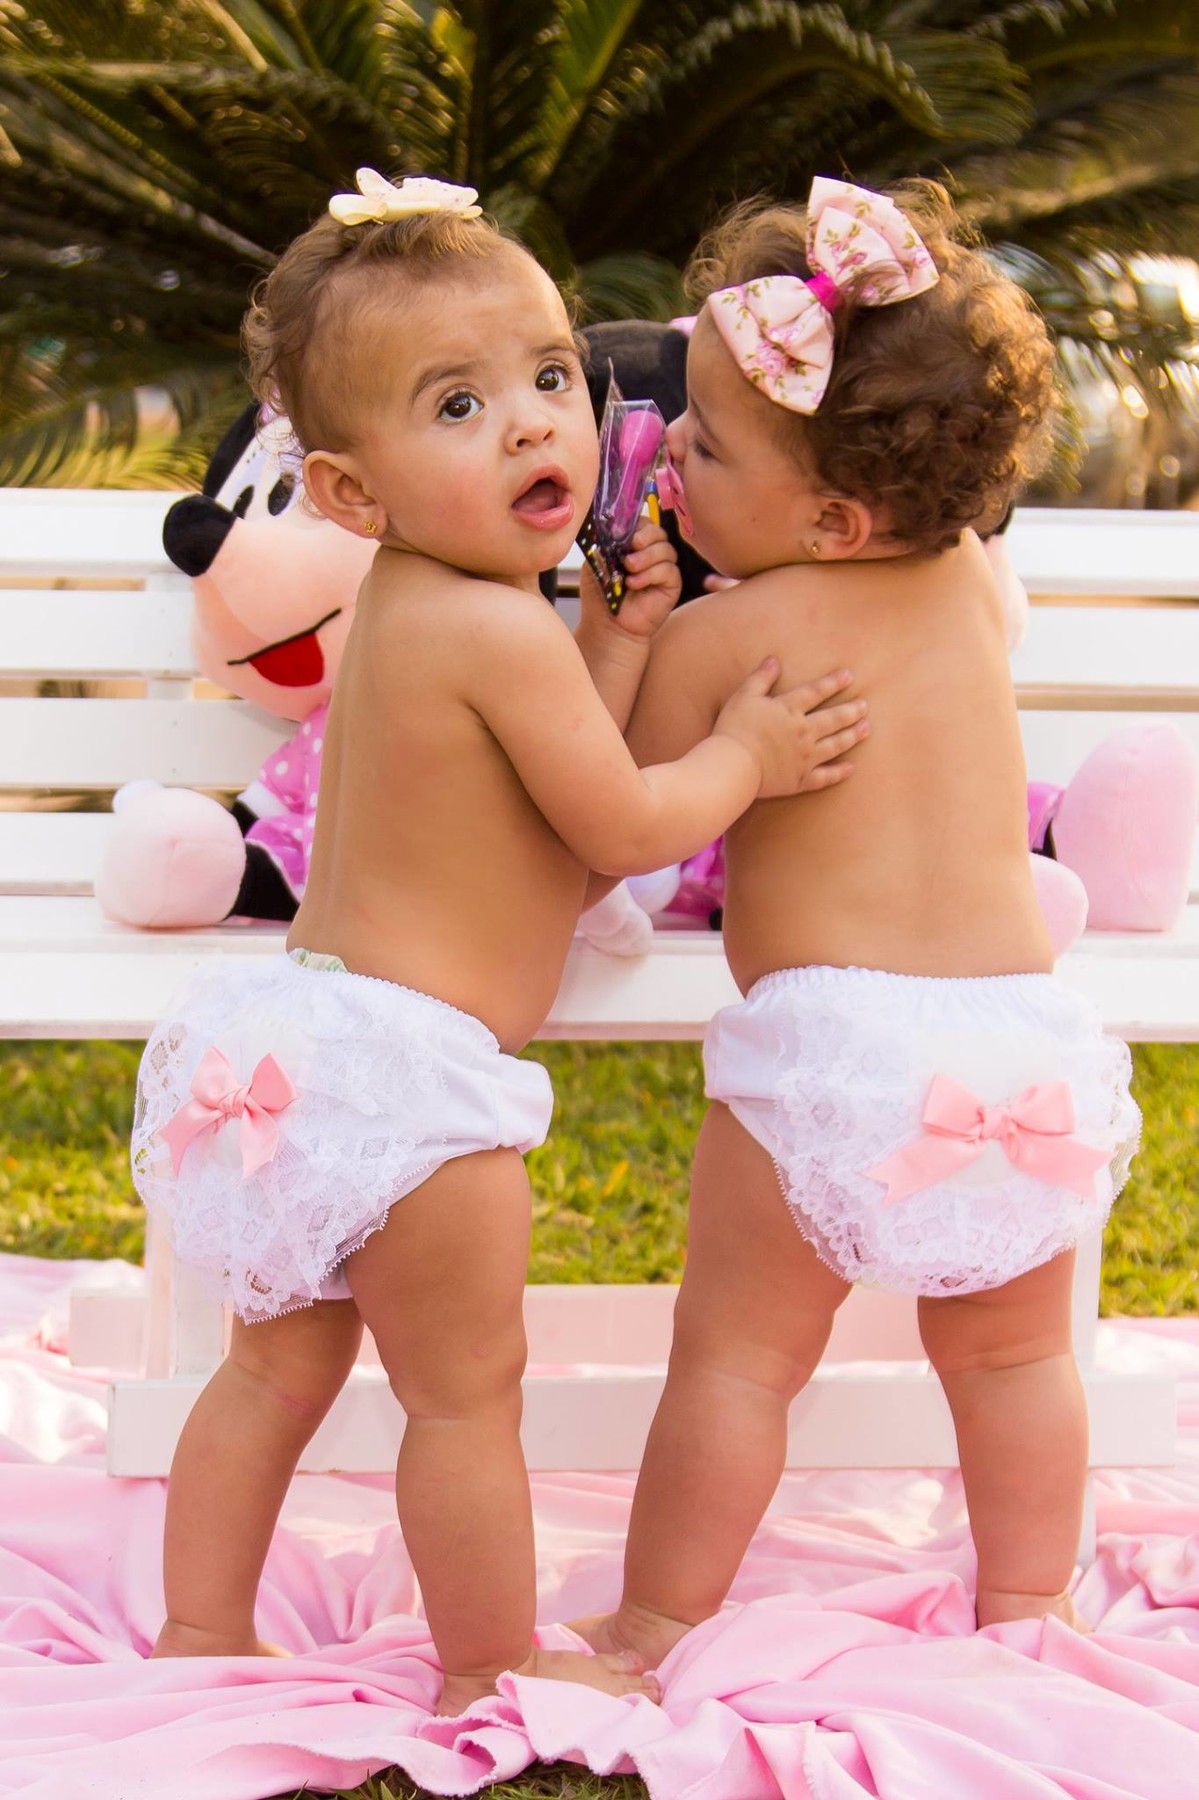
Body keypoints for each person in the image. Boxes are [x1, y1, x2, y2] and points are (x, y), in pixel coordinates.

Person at [130, 169, 870, 1716]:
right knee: (466, 1398)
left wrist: (613, 635)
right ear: (350, 493)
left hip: (312, 1050)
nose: (535, 425)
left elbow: (537, 803)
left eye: (548, 376)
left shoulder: (421, 607)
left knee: (272, 1369)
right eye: (459, 406)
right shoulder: (488, 627)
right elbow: (619, 823)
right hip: (416, 1091)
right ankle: (487, 1661)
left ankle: (199, 1629)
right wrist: (743, 756)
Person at [575, 177, 1140, 1669]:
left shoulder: (726, 637)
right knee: (1013, 1362)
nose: (672, 452)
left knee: (738, 1363)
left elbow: (616, 803)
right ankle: (1031, 1608)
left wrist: (625, 632)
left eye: (705, 442)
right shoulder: (965, 589)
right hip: (1016, 1055)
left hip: (834, 1049)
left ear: (832, 519)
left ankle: (653, 1624)